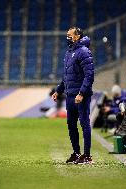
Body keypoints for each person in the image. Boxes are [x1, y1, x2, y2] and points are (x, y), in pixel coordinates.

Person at [52, 27, 94, 164]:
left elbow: (89, 75)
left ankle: (87, 156)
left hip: (80, 96)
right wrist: (58, 90)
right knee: (71, 125)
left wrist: (82, 93)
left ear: (77, 36)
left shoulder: (83, 52)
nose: (67, 37)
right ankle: (76, 153)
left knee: (84, 124)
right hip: (70, 96)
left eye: (69, 35)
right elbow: (67, 77)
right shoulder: (69, 52)